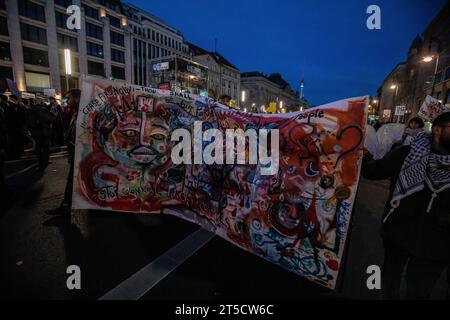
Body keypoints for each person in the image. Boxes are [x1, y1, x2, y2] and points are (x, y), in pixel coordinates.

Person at [362, 112, 450, 299]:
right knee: (389, 280)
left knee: (419, 292)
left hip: (437, 245)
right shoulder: (407, 153)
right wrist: (363, 154)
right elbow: (373, 171)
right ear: (437, 130)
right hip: (398, 233)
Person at [45, 89, 81, 216]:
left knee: (73, 180)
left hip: (80, 154)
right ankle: (66, 205)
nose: (67, 101)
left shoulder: (83, 112)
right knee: (73, 180)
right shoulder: (75, 112)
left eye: (69, 98)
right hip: (75, 152)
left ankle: (66, 205)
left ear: (76, 98)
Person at [28, 102, 56, 170]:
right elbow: (51, 119)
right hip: (45, 133)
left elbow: (29, 123)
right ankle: (45, 161)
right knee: (46, 148)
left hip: (36, 133)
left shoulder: (31, 111)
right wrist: (52, 115)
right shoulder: (44, 111)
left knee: (38, 148)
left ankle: (40, 162)